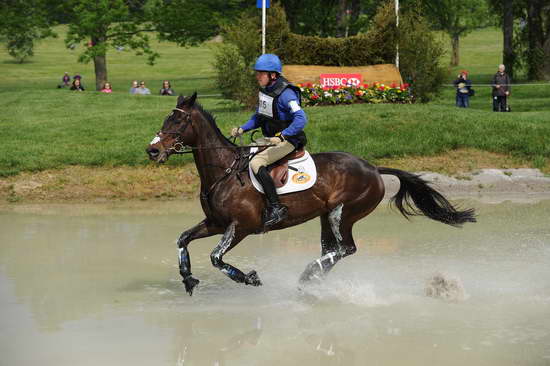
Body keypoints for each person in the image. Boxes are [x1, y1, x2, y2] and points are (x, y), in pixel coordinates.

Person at [230, 54, 308, 227]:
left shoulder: (287, 95)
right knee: (245, 154)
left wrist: (282, 135)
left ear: (273, 75)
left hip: (289, 140)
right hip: (271, 139)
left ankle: (275, 207)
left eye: (261, 73)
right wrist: (242, 128)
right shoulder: (266, 91)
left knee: (256, 163)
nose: (257, 76)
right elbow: (259, 117)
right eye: (257, 73)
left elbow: (301, 118)